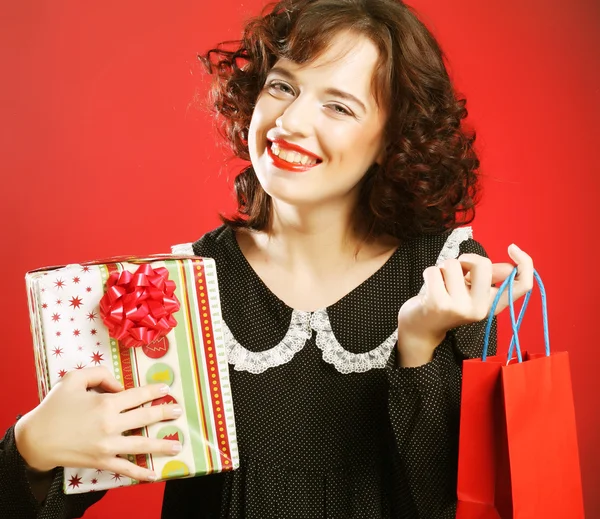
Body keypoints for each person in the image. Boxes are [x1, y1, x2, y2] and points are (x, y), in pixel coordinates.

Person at [1, 0, 535, 517]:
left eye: (338, 105)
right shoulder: (174, 286)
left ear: (393, 139)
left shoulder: (445, 274)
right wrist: (33, 447)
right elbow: (64, 482)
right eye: (283, 86)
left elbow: (444, 499)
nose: (291, 122)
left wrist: (420, 343)